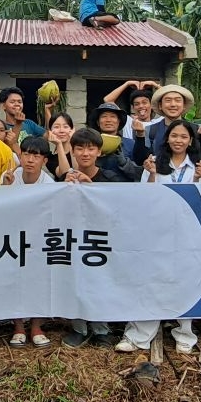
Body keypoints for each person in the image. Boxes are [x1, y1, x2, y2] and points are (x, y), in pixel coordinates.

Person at [120, 121, 201, 354]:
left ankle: (184, 334)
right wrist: (151, 175)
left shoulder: (197, 167)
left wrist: (199, 179)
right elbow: (143, 199)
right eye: (174, 136)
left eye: (184, 137)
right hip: (155, 233)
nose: (179, 140)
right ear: (167, 138)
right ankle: (139, 335)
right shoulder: (154, 163)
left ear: (191, 141)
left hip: (186, 235)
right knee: (149, 280)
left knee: (185, 280)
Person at [59, 126, 136, 348]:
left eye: (90, 148)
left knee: (101, 281)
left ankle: (102, 329)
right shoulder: (65, 180)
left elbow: (116, 210)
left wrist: (91, 188)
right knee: (76, 282)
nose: (85, 153)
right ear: (72, 151)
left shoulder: (110, 178)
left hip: (101, 240)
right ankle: (79, 328)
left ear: (99, 152)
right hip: (74, 240)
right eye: (80, 148)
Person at [4, 136, 55, 349]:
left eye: (36, 155)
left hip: (39, 240)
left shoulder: (49, 184)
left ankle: (36, 326)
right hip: (14, 239)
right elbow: (0, 209)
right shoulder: (10, 177)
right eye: (26, 154)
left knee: (39, 282)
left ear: (44, 160)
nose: (30, 160)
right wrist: (5, 189)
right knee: (16, 281)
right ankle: (18, 326)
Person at [135, 85, 201, 169]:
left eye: (178, 100)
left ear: (184, 105)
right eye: (168, 100)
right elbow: (140, 161)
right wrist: (140, 135)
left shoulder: (198, 129)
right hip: (158, 179)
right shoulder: (150, 130)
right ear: (160, 105)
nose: (173, 104)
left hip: (191, 180)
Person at [105, 80, 161, 159]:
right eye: (136, 104)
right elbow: (108, 100)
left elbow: (173, 98)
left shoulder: (159, 122)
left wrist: (155, 85)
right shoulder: (128, 121)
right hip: (132, 165)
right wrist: (127, 84)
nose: (141, 106)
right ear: (133, 107)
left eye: (144, 102)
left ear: (151, 105)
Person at [88, 104, 142, 180]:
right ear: (98, 122)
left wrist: (124, 163)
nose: (108, 120)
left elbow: (140, 175)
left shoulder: (131, 144)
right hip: (97, 189)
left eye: (113, 116)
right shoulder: (90, 143)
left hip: (124, 190)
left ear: (119, 121)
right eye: (104, 116)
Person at [43, 113, 76, 179]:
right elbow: (65, 175)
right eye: (56, 127)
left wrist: (71, 141)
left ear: (72, 130)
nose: (61, 131)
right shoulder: (50, 159)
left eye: (65, 127)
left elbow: (79, 170)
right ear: (50, 131)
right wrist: (59, 144)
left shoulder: (81, 150)